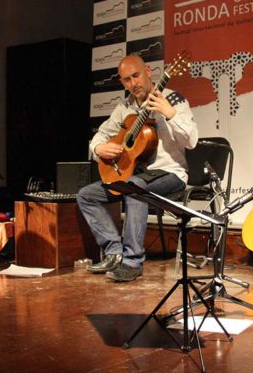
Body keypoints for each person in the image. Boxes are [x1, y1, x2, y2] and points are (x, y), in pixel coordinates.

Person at [77, 55, 198, 282]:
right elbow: (100, 136)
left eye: (136, 76)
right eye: (126, 80)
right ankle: (113, 252)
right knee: (86, 195)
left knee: (134, 187)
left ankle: (132, 261)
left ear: (148, 71)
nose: (133, 83)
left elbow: (191, 141)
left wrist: (169, 113)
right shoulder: (124, 107)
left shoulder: (173, 99)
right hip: (136, 175)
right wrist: (99, 148)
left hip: (170, 173)